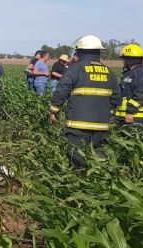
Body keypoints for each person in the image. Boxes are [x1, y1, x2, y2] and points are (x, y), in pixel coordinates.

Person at [48, 35, 121, 169]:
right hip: (101, 125)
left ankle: (79, 181)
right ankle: (98, 181)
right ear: (99, 52)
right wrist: (106, 114)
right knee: (99, 155)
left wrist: (53, 111)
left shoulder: (75, 69)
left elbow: (61, 92)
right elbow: (116, 99)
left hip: (77, 124)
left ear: (80, 52)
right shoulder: (109, 72)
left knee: (77, 155)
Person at [115, 44, 143, 128]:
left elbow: (141, 94)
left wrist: (130, 112)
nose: (123, 61)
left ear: (130, 59)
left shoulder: (141, 73)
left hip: (135, 117)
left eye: (124, 59)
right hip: (125, 117)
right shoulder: (129, 73)